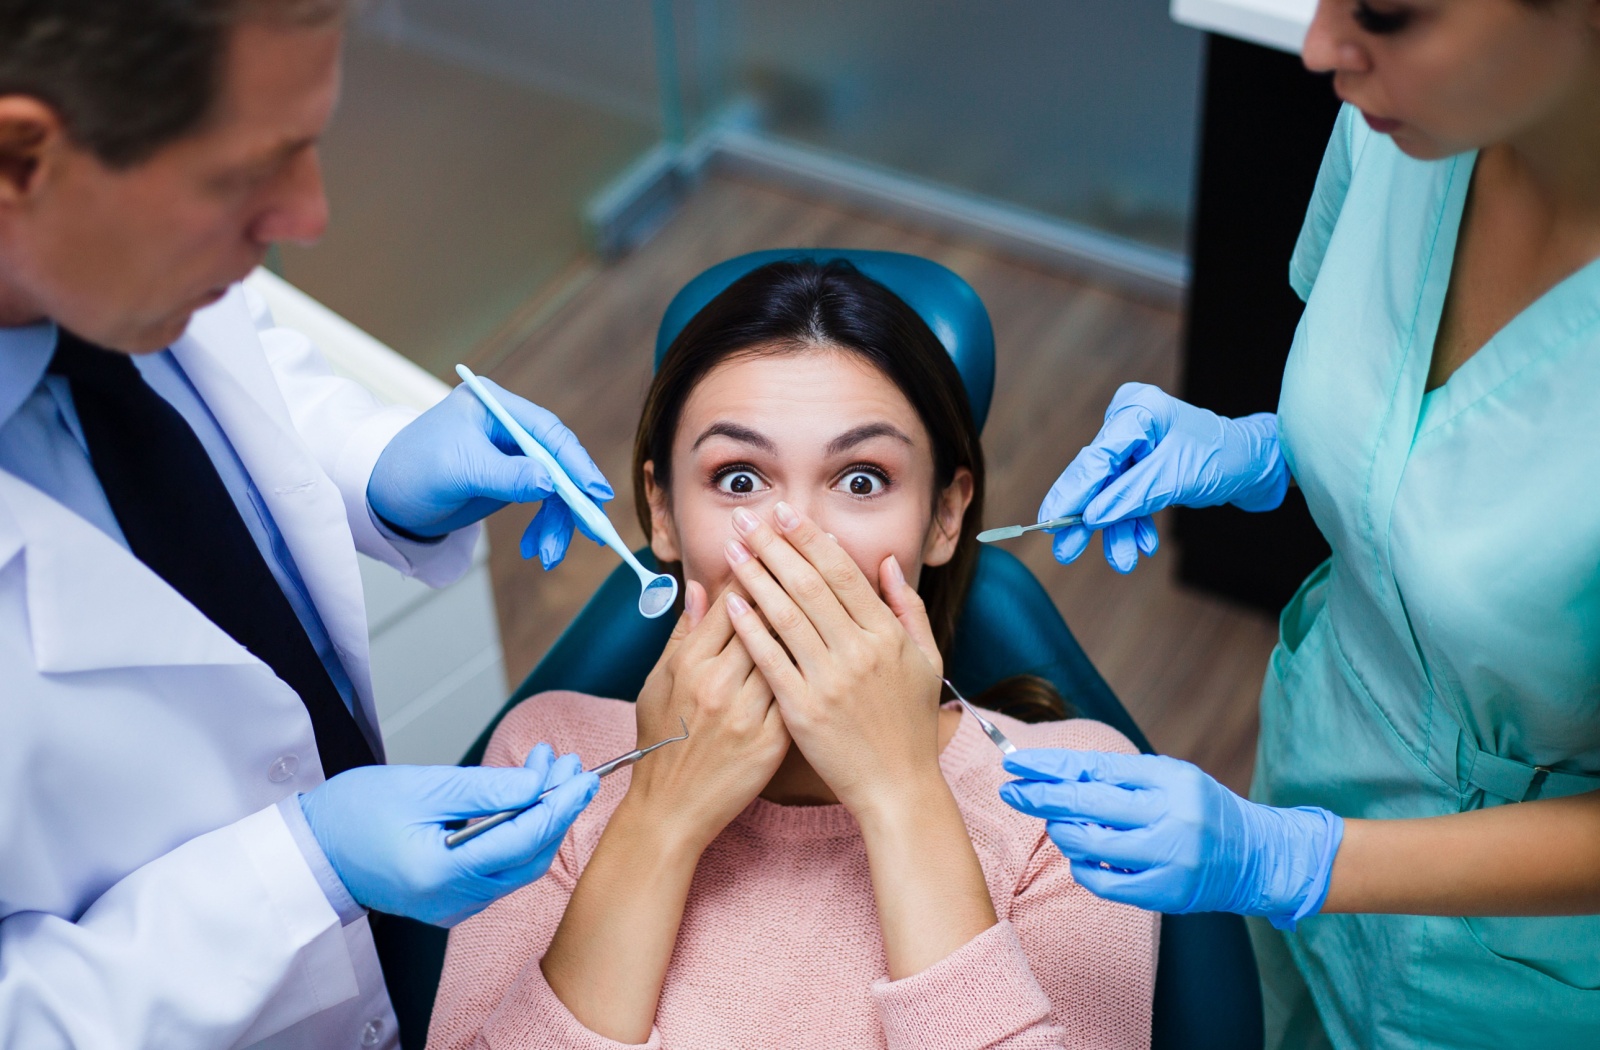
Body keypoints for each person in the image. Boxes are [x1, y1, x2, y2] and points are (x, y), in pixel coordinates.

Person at [0, 3, 610, 1047]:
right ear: (19, 157)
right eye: (245, 174)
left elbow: (235, 374)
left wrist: (377, 469)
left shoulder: (115, 270)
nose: (311, 216)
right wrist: (301, 872)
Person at [1000, 0, 1600, 1046]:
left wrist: (1293, 860)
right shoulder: (1408, 119)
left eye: (1383, 11)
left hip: (1522, 975)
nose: (1320, 46)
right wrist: (1269, 451)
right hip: (1316, 752)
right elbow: (1438, 441)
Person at [426, 260, 1159, 1050]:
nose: (792, 538)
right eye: (739, 479)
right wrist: (656, 822)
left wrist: (901, 791)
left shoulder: (1073, 799)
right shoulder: (548, 761)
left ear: (945, 516)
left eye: (862, 480)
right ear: (663, 513)